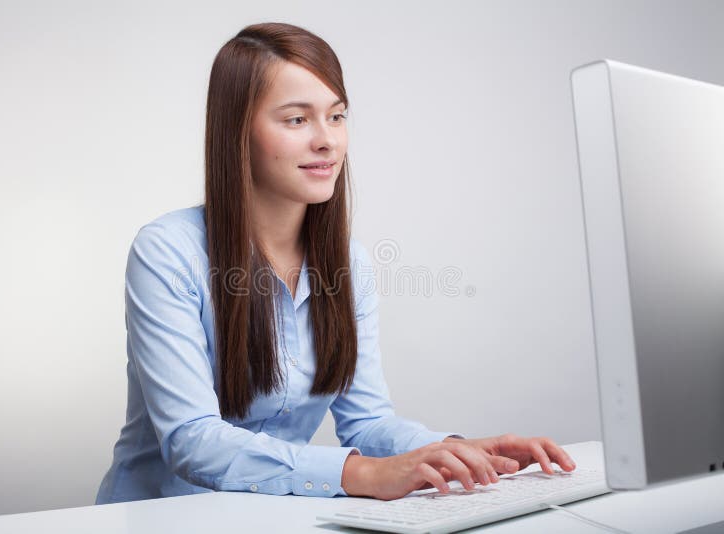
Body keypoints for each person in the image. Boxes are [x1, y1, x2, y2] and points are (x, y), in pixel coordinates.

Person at [95, 21, 576, 505]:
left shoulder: (348, 264)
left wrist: (454, 450)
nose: (327, 141)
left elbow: (367, 421)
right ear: (237, 131)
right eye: (297, 119)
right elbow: (192, 441)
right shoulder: (168, 251)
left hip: (267, 516)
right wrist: (363, 474)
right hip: (158, 517)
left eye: (337, 116)